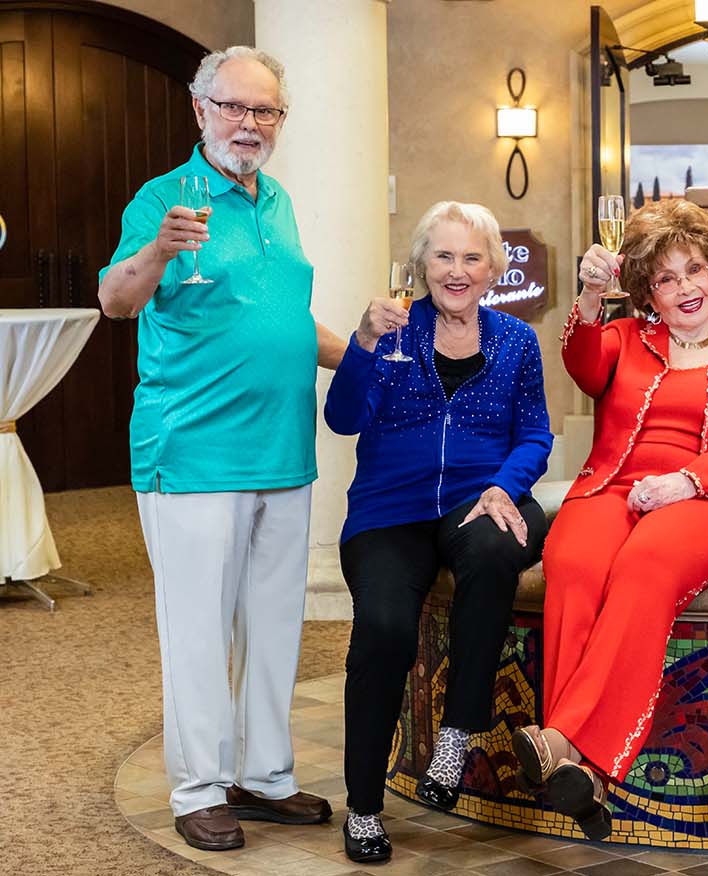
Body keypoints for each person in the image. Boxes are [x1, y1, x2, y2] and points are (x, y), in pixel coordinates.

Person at [97, 46, 346, 853]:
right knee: (199, 628)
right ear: (200, 109)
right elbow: (115, 300)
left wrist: (376, 356)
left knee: (275, 624)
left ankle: (265, 777)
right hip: (193, 454)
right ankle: (200, 787)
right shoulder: (161, 199)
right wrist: (158, 252)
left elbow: (286, 321)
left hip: (283, 450)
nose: (251, 123)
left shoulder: (277, 202)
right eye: (235, 107)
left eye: (266, 111)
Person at [510, 199, 708, 841]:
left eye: (694, 269)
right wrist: (588, 296)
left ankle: (562, 738)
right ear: (647, 293)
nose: (685, 288)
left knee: (646, 562)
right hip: (614, 486)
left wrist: (689, 480)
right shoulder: (626, 338)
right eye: (665, 279)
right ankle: (584, 776)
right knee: (572, 561)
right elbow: (583, 366)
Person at [323, 200, 552, 863]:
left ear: (492, 269)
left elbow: (535, 432)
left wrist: (503, 487)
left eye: (471, 257)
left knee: (491, 547)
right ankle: (364, 806)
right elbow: (342, 419)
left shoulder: (516, 341)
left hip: (484, 499)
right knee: (385, 632)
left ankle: (456, 736)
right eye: (443, 256)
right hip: (389, 511)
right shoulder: (390, 331)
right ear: (421, 265)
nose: (457, 270)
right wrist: (363, 342)